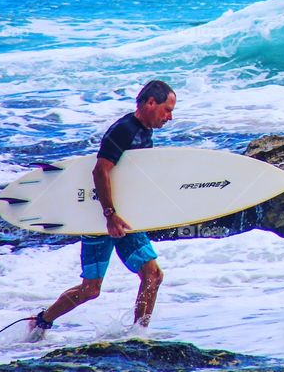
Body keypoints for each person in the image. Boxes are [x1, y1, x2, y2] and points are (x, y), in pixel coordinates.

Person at [27, 80, 176, 340]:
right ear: (151, 103)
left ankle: (139, 335)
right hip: (103, 217)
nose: (169, 117)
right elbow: (100, 170)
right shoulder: (124, 130)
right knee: (91, 289)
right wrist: (109, 215)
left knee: (152, 275)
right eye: (167, 110)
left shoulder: (144, 132)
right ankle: (41, 321)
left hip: (122, 216)